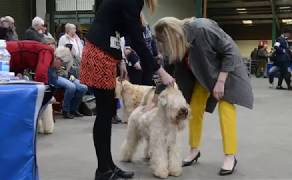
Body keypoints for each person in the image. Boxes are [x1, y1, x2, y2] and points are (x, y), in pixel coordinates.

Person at [79, 0, 175, 180]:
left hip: (106, 52)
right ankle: (103, 171)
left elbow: (116, 29)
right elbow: (137, 40)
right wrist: (160, 71)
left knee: (107, 114)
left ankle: (108, 166)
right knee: (104, 115)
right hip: (99, 54)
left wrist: (120, 60)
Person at [154, 17, 254, 176]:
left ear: (171, 34)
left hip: (226, 71)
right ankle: (194, 151)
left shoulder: (202, 29)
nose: (164, 46)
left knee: (225, 107)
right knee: (194, 107)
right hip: (204, 74)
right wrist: (158, 94)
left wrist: (221, 81)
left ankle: (230, 155)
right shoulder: (177, 42)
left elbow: (230, 51)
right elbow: (168, 67)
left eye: (163, 41)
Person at [125, 13, 159, 85]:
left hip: (148, 62)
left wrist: (156, 54)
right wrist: (134, 61)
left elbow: (151, 41)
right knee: (136, 90)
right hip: (136, 64)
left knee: (146, 88)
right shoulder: (129, 28)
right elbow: (127, 47)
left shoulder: (146, 26)